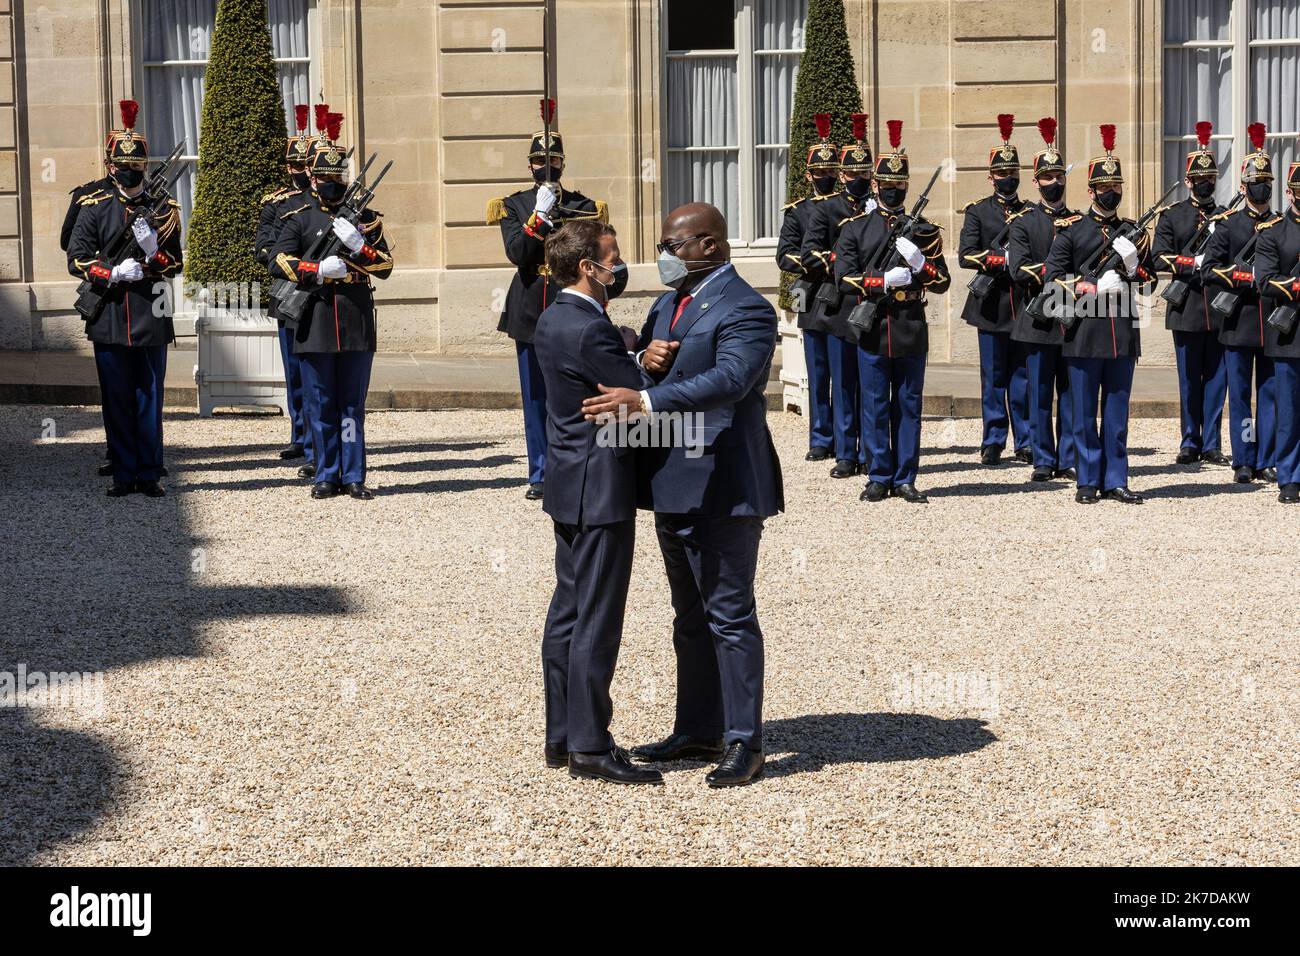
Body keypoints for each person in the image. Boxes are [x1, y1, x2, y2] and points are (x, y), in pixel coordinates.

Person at [581, 202, 783, 788]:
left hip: (723, 482)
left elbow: (732, 380)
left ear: (711, 247)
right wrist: (642, 360)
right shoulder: (670, 302)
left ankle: (745, 741)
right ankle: (699, 726)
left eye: (675, 245)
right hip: (672, 478)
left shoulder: (746, 307)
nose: (665, 256)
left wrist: (642, 402)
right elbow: (648, 368)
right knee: (689, 615)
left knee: (729, 614)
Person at [532, 218, 660, 785]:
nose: (619, 265)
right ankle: (590, 743)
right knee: (596, 619)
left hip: (569, 479)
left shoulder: (556, 316)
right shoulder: (590, 329)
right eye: (612, 256)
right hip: (601, 482)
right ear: (589, 267)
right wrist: (642, 363)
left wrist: (626, 345)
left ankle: (562, 734)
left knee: (569, 611)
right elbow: (632, 396)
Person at [487, 102, 608, 501]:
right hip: (529, 308)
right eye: (540, 160)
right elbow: (518, 254)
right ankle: (540, 471)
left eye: (553, 158)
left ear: (563, 162)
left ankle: (576, 463)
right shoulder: (515, 205)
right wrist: (537, 216)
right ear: (530, 166)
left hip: (572, 305)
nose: (547, 166)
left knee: (579, 391)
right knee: (536, 394)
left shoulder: (585, 206)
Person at [269, 113, 393, 501]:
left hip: (354, 318)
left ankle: (353, 473)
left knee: (351, 405)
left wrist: (360, 246)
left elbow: (385, 266)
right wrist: (317, 269)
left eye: (337, 180)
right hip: (316, 317)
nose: (330, 186)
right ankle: (326, 473)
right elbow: (277, 259)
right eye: (324, 180)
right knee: (321, 404)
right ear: (314, 178)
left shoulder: (366, 220)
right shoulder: (299, 217)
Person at [67, 99, 183, 498]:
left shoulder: (165, 208)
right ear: (109, 165)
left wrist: (153, 253)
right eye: (122, 166)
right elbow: (77, 258)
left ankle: (149, 473)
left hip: (151, 313)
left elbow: (175, 265)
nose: (129, 172)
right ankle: (123, 473)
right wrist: (113, 272)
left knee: (149, 399)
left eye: (136, 167)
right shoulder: (94, 207)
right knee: (117, 400)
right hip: (111, 312)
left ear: (145, 167)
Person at [834, 119, 951, 503]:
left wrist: (920, 264)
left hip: (910, 325)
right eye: (887, 183)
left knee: (908, 405)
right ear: (876, 184)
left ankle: (905, 477)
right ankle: (879, 475)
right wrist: (882, 282)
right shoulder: (855, 229)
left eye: (900, 184)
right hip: (872, 325)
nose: (894, 189)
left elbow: (942, 282)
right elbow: (843, 278)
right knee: (873, 404)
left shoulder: (925, 231)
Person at [1044, 124, 1156, 504]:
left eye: (1117, 186)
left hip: (1122, 332)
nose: (1112, 192)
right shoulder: (1071, 231)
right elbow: (1052, 280)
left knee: (1117, 413)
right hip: (1084, 333)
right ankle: (1087, 481)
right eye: (1104, 187)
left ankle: (1116, 479)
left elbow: (1149, 280)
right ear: (1090, 190)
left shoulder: (1131, 232)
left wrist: (1131, 263)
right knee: (1082, 413)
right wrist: (1089, 287)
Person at [1202, 123, 1281, 484]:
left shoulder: (1281, 225)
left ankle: (1266, 456)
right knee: (1240, 395)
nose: (1261, 188)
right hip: (1239, 319)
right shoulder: (1229, 225)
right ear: (1243, 187)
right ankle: (1244, 459)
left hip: (1275, 320)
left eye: (1266, 182)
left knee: (1270, 394)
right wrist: (1240, 276)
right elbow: (1209, 270)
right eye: (1255, 182)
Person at [799, 112, 876, 479]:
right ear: (842, 176)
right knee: (843, 381)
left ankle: (873, 449)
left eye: (865, 175)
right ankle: (846, 451)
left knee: (873, 383)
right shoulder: (827, 209)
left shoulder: (881, 210)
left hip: (876, 303)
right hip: (841, 303)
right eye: (853, 174)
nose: (859, 180)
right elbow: (810, 250)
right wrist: (838, 260)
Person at [1152, 121, 1231, 467]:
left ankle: (1211, 441)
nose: (1205, 183)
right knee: (1188, 379)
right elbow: (1159, 256)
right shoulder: (1173, 216)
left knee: (1217, 378)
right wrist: (1191, 263)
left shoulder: (1227, 217)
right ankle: (1189, 439)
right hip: (1185, 305)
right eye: (1199, 179)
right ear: (1188, 182)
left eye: (1210, 178)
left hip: (1218, 306)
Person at [959, 114, 1032, 466]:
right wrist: (999, 260)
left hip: (1023, 304)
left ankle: (1026, 439)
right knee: (993, 377)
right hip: (990, 302)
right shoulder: (978, 212)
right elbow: (966, 254)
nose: (1007, 178)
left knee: (1023, 377)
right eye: (1001, 174)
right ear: (991, 177)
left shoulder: (1031, 212)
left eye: (1012, 173)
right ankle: (993, 438)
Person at [1007, 117, 1076, 482]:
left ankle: (1067, 456)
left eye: (1059, 175)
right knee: (1038, 393)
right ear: (1035, 182)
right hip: (1036, 317)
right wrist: (1057, 273)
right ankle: (1043, 458)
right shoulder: (1022, 223)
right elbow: (1018, 270)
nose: (1054, 182)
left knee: (1069, 392)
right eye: (1047, 177)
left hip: (1071, 316)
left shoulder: (1080, 221)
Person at [256, 103, 317, 474]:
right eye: (295, 166)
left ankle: (317, 441)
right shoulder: (277, 203)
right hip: (289, 292)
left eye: (306, 166)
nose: (300, 173)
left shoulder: (329, 203)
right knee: (294, 369)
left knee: (316, 371)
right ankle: (300, 433)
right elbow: (263, 247)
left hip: (323, 294)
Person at [777, 112, 840, 463]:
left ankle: (848, 434)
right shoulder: (798, 213)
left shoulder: (851, 209)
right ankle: (821, 437)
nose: (826, 177)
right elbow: (784, 256)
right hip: (815, 297)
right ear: (809, 174)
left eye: (832, 171)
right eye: (821, 172)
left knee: (846, 374)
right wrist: (819, 262)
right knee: (818, 373)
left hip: (846, 298)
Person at [1253, 157, 1300, 503]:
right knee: (1289, 410)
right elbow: (1265, 281)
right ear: (1289, 193)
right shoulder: (1275, 233)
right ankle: (1290, 476)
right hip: (1291, 335)